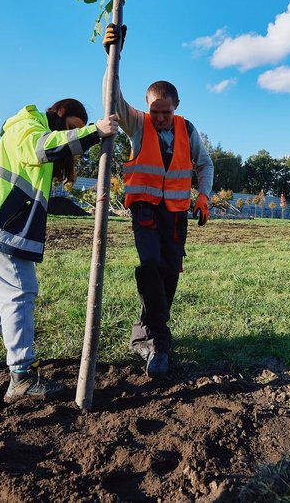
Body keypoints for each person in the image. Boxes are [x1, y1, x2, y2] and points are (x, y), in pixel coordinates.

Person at [0, 99, 118, 402]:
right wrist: (95, 132)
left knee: (3, 292)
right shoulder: (27, 126)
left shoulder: (36, 127)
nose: (72, 134)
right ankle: (21, 377)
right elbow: (40, 148)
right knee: (20, 291)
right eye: (71, 128)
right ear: (60, 113)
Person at [103, 23, 214, 379]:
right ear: (148, 105)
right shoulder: (137, 123)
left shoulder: (187, 128)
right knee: (150, 265)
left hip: (177, 215)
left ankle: (145, 330)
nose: (161, 117)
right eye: (155, 110)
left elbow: (204, 163)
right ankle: (160, 342)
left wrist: (204, 197)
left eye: (166, 111)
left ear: (176, 106)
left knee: (169, 275)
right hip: (146, 211)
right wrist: (112, 57)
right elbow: (114, 98)